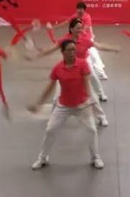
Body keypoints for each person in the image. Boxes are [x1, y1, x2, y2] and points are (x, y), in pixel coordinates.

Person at [28, 39, 104, 170]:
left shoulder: (83, 64)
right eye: (69, 50)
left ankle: (95, 157)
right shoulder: (58, 68)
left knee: (92, 130)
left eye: (74, 50)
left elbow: (86, 83)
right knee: (50, 130)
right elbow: (49, 88)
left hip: (82, 106)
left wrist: (89, 100)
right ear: (63, 52)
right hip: (64, 106)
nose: (72, 52)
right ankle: (42, 158)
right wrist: (39, 104)